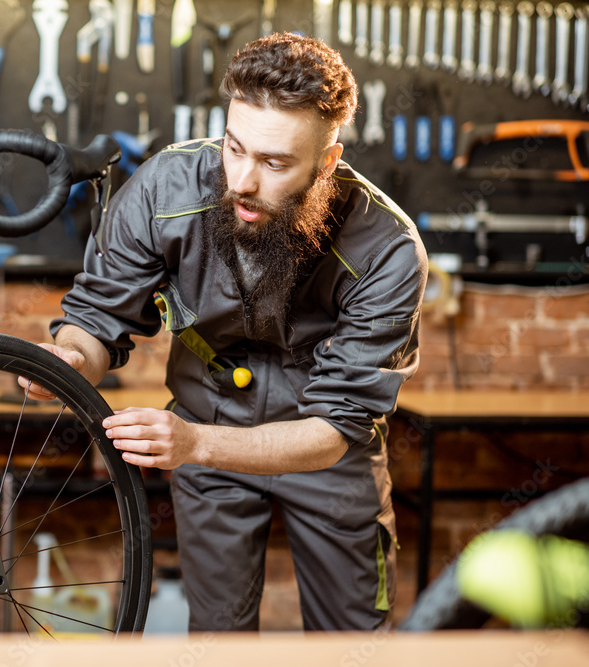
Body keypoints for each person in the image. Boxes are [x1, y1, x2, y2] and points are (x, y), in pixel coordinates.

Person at [33, 33, 428, 631]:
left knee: (354, 643)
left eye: (273, 163)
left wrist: (192, 447)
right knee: (218, 640)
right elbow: (95, 322)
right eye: (233, 147)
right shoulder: (164, 191)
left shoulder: (388, 252)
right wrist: (66, 359)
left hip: (323, 450)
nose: (242, 180)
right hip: (207, 417)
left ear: (327, 161)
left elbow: (334, 428)